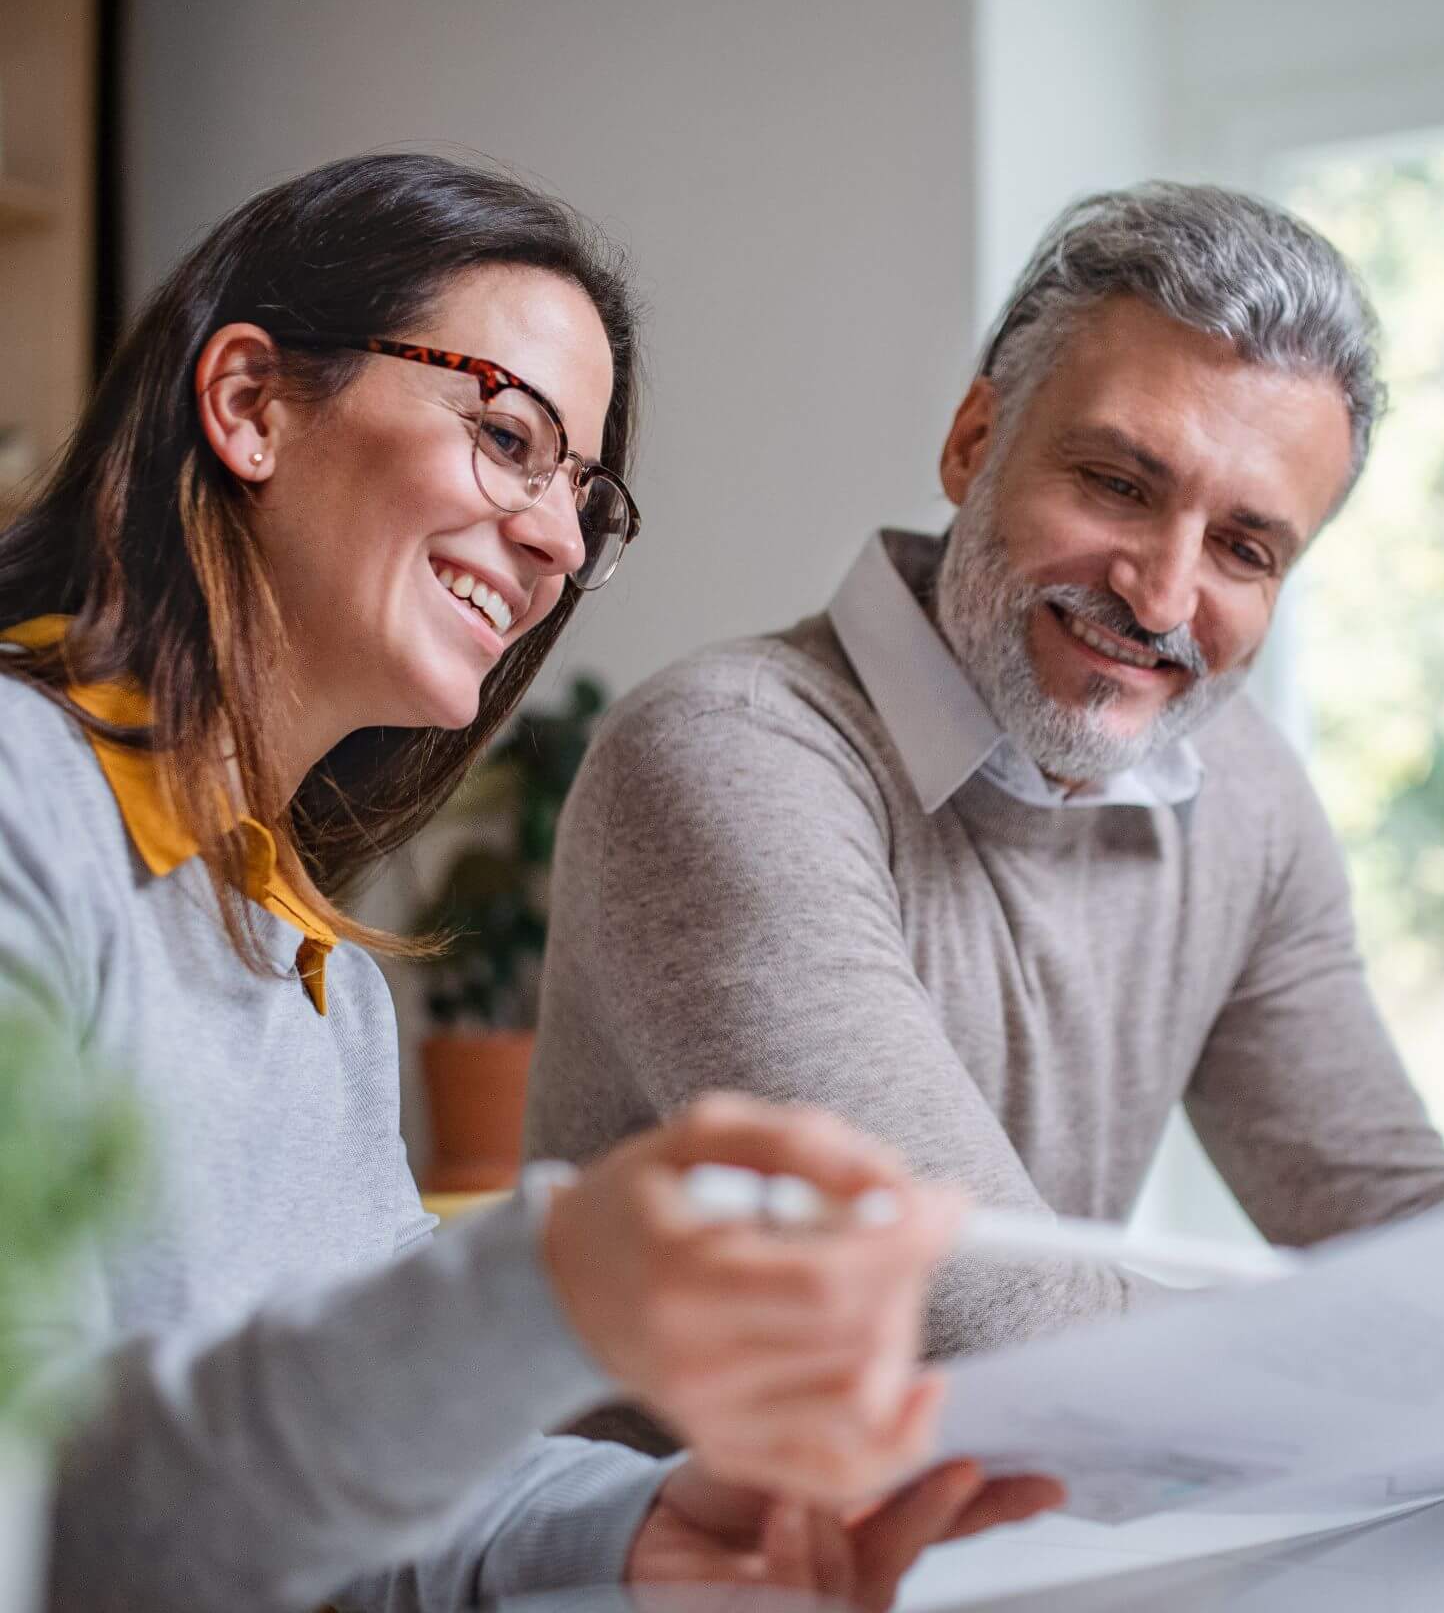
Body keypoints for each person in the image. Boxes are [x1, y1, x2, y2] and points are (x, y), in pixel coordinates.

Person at [0, 152, 1059, 1613]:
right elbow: (39, 1513)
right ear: (248, 404)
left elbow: (370, 1492)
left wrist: (642, 1529)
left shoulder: (320, 984)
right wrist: (541, 1284)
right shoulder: (22, 804)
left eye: (585, 496)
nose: (560, 541)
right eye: (508, 435)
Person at [527, 182, 1444, 1406]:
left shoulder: (1244, 798)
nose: (1162, 596)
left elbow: (1394, 1218)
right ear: (974, 441)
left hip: (1049, 1510)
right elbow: (985, 1318)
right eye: (1118, 484)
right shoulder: (729, 754)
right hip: (692, 1527)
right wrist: (1440, 1346)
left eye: (1245, 549)